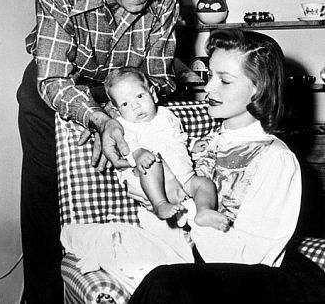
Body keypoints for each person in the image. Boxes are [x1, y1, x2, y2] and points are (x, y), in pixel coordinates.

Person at [17, 0, 180, 304]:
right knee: (46, 201)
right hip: (55, 91)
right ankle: (42, 298)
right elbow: (53, 78)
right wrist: (97, 118)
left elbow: (157, 78)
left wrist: (115, 115)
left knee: (123, 195)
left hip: (126, 95)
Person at [128, 28, 325, 303]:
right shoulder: (207, 142)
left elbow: (250, 256)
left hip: (260, 281)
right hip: (206, 263)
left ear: (259, 88)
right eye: (210, 75)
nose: (208, 87)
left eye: (225, 80)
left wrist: (189, 214)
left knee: (164, 285)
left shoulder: (276, 159)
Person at [104, 66, 230, 230]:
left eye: (140, 96)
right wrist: (137, 153)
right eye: (125, 104)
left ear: (153, 94)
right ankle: (160, 204)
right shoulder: (124, 125)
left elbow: (177, 138)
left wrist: (192, 145)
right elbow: (126, 146)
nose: (135, 106)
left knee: (205, 184)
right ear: (117, 110)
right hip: (149, 180)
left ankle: (204, 211)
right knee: (150, 160)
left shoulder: (167, 115)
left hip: (183, 176)